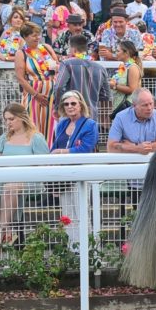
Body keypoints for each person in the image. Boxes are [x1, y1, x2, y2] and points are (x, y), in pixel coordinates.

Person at [0, 103, 49, 254]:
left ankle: (0, 233)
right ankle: (8, 230)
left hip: (31, 179)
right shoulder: (5, 137)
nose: (8, 123)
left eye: (11, 119)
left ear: (22, 118)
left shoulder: (35, 137)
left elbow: (45, 163)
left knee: (10, 187)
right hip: (7, 177)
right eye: (6, 119)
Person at [50, 91, 98, 244]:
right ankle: (72, 248)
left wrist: (63, 152)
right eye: (66, 104)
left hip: (81, 173)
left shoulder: (90, 124)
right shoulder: (62, 124)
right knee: (67, 213)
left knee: (81, 212)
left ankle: (87, 249)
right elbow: (54, 146)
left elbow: (86, 148)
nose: (70, 106)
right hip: (63, 174)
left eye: (73, 103)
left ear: (80, 105)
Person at [15, 22, 59, 148]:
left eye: (38, 35)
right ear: (25, 37)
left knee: (51, 126)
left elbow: (57, 66)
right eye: (34, 35)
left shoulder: (46, 48)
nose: (37, 38)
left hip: (51, 94)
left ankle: (50, 152)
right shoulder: (21, 53)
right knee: (33, 125)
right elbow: (20, 78)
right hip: (33, 95)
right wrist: (35, 94)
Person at [54, 34, 112, 123]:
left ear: (73, 49)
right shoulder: (100, 68)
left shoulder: (67, 64)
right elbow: (106, 96)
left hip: (70, 115)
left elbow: (59, 87)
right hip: (91, 117)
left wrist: (58, 107)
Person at [107, 88, 156, 154]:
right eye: (145, 105)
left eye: (151, 103)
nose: (149, 108)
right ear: (134, 106)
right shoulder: (120, 118)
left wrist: (133, 146)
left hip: (152, 159)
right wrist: (138, 148)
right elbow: (110, 147)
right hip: (128, 159)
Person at [107, 39, 142, 120]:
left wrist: (114, 86)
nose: (116, 53)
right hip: (120, 106)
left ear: (126, 53)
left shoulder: (133, 67)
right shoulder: (123, 67)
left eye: (118, 51)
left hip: (129, 108)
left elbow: (132, 89)